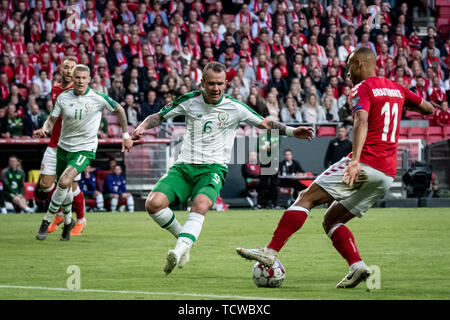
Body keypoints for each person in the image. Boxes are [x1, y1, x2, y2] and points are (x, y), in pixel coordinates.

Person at [236, 47, 434, 288]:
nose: (347, 73)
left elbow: (361, 120)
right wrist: (400, 102)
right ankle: (356, 265)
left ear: (360, 64)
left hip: (366, 162)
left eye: (350, 65)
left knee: (305, 197)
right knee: (331, 220)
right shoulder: (397, 89)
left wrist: (355, 160)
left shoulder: (363, 88)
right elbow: (428, 109)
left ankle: (270, 251)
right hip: (386, 174)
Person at [132, 61, 314, 275]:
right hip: (183, 167)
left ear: (226, 83)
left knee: (200, 205)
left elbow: (266, 124)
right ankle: (184, 241)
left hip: (212, 169)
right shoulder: (189, 101)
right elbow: (159, 116)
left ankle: (179, 250)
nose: (215, 88)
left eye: (220, 83)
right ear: (202, 83)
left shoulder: (235, 107)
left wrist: (293, 132)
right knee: (153, 204)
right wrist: (142, 126)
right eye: (211, 83)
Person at [34, 64, 132, 241]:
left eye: (83, 78)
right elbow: (51, 119)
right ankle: (69, 220)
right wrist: (45, 129)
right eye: (77, 77)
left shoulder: (97, 98)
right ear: (74, 78)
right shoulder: (63, 97)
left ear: (89, 79)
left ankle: (46, 219)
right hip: (63, 147)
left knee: (64, 181)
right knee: (63, 186)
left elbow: (120, 110)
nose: (80, 81)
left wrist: (125, 136)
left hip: (85, 149)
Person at [34, 57, 88, 236]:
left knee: (71, 186)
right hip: (54, 143)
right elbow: (54, 116)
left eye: (72, 68)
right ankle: (58, 214)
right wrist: (44, 129)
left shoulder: (80, 92)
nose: (68, 71)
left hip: (72, 146)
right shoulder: (55, 89)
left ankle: (80, 220)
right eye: (66, 67)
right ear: (61, 69)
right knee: (45, 184)